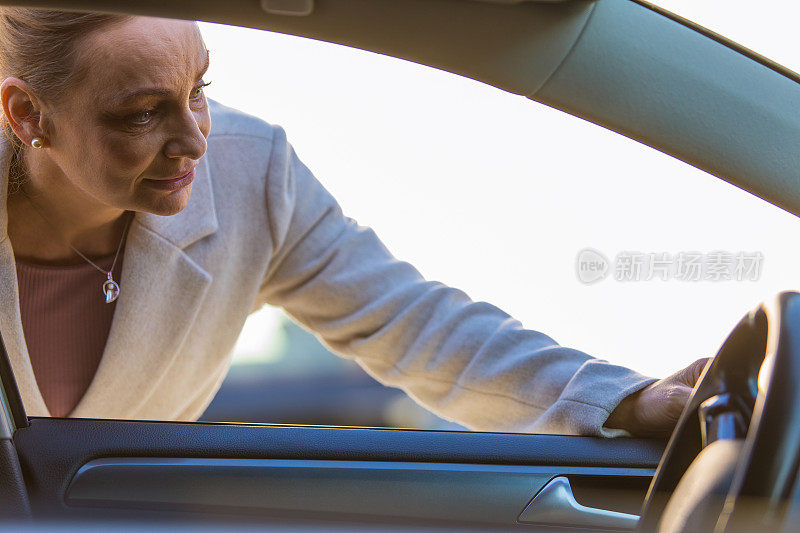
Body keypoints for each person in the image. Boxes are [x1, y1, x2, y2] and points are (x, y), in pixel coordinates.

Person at [0, 9, 707, 436]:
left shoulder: (255, 176)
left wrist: (623, 398)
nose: (195, 141)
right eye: (143, 113)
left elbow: (418, 326)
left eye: (200, 90)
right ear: (28, 114)